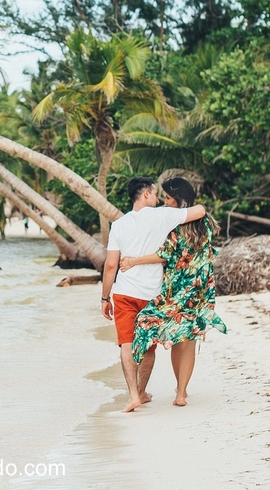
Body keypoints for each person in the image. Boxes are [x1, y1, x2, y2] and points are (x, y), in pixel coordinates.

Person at [100, 177, 208, 413]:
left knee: (127, 344)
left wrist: (105, 298)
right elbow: (200, 211)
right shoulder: (162, 216)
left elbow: (110, 265)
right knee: (148, 346)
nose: (159, 199)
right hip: (152, 295)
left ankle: (133, 396)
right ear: (146, 194)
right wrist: (185, 205)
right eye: (156, 194)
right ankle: (141, 391)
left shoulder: (118, 225)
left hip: (124, 293)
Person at [119, 176, 226, 407]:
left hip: (176, 288)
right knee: (187, 339)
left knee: (152, 325)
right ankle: (181, 392)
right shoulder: (204, 223)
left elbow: (165, 254)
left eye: (168, 198)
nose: (165, 202)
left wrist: (134, 261)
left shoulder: (173, 225)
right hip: (200, 288)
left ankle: (145, 391)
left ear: (178, 199)